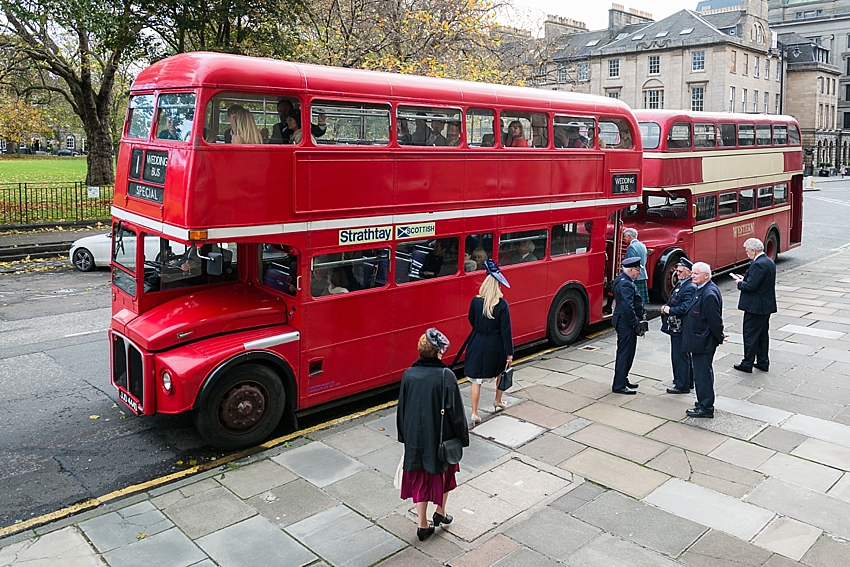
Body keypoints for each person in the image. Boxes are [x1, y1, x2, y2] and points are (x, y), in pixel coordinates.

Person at [397, 329, 469, 542]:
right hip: (441, 439)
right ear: (438, 352)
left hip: (416, 440)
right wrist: (462, 437)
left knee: (420, 479)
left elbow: (402, 408)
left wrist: (404, 437)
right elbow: (456, 412)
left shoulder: (408, 374)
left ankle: (422, 524)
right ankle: (440, 512)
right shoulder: (446, 375)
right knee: (444, 476)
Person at [465, 259, 513, 425]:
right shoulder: (502, 305)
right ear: (498, 286)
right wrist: (509, 353)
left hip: (477, 341)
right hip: (495, 344)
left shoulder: (475, 302)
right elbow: (506, 331)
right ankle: (498, 400)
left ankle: (474, 412)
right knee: (500, 371)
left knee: (476, 379)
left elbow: (471, 319)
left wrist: (480, 328)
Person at [682, 262, 725, 418]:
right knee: (702, 373)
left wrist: (719, 337)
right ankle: (703, 401)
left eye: (696, 274)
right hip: (699, 340)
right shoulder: (702, 289)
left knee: (702, 375)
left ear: (706, 275)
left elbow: (715, 320)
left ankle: (705, 407)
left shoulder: (709, 294)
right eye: (692, 273)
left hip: (703, 341)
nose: (692, 276)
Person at [731, 238, 777, 373]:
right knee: (762, 335)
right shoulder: (768, 261)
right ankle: (763, 361)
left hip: (755, 307)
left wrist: (739, 283)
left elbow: (751, 286)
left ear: (753, 250)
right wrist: (745, 278)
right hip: (765, 306)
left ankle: (747, 363)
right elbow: (760, 282)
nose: (746, 253)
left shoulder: (758, 264)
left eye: (747, 251)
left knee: (750, 335)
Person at [661, 258, 697, 394]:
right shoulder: (683, 284)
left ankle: (682, 385)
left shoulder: (689, 287)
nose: (677, 273)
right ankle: (687, 380)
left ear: (689, 273)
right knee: (682, 355)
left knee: (680, 356)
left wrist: (669, 310)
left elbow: (685, 307)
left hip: (680, 327)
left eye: (681, 271)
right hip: (677, 326)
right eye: (677, 271)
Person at [611, 256, 644, 394]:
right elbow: (627, 306)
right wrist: (635, 323)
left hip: (623, 321)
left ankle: (623, 378)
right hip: (626, 323)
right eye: (638, 270)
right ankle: (619, 385)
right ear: (631, 270)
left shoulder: (622, 279)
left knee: (627, 352)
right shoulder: (626, 283)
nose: (639, 273)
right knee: (626, 353)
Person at [623, 228, 649, 305]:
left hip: (634, 275)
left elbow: (630, 263)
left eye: (625, 236)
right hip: (643, 274)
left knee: (633, 299)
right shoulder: (643, 245)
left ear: (629, 236)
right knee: (640, 300)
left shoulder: (631, 247)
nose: (624, 239)